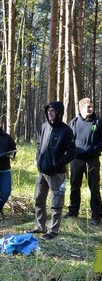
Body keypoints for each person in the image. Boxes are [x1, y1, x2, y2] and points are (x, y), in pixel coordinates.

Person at [30, 101, 75, 240]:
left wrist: (56, 165)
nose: (50, 113)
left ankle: (53, 231)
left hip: (57, 173)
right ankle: (40, 226)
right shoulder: (44, 127)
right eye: (48, 110)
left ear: (59, 113)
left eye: (53, 111)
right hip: (42, 171)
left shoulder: (66, 130)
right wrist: (39, 161)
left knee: (56, 203)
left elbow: (71, 153)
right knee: (39, 199)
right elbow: (39, 145)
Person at [63, 98, 102, 226]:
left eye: (91, 106)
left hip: (92, 160)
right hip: (76, 160)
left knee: (94, 187)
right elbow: (67, 140)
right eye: (87, 107)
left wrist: (95, 149)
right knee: (75, 186)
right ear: (80, 108)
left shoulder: (98, 123)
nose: (90, 109)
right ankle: (73, 211)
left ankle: (96, 215)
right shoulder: (73, 123)